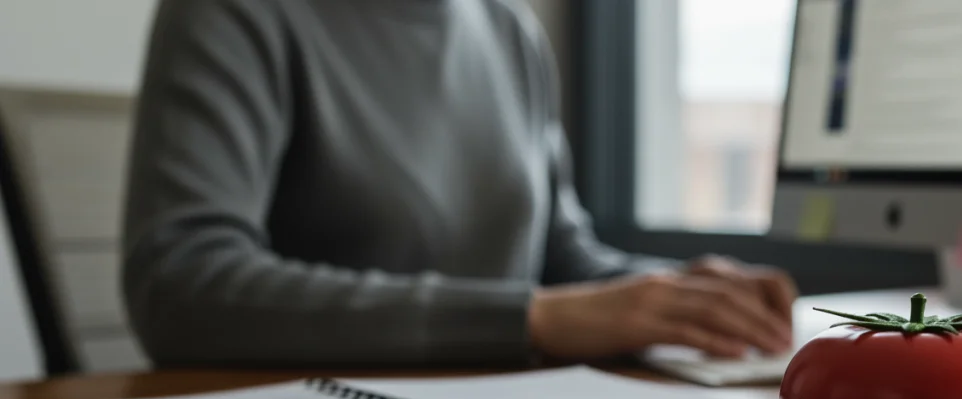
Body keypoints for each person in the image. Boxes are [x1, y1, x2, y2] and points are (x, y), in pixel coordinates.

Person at [121, 0, 798, 368]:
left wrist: (685, 295)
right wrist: (531, 321)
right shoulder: (234, 14)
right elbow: (181, 287)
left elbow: (563, 261)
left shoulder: (509, 28)